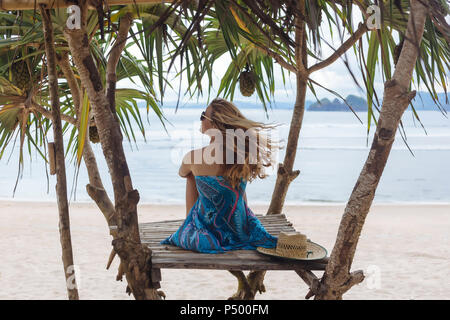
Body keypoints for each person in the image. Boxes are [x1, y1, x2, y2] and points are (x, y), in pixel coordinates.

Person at [160, 98, 283, 253]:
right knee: (234, 181)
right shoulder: (242, 155)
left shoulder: (194, 157)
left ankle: (191, 224)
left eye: (203, 115)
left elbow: (182, 173)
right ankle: (239, 221)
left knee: (191, 175)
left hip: (208, 232)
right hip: (240, 229)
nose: (201, 118)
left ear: (214, 124)